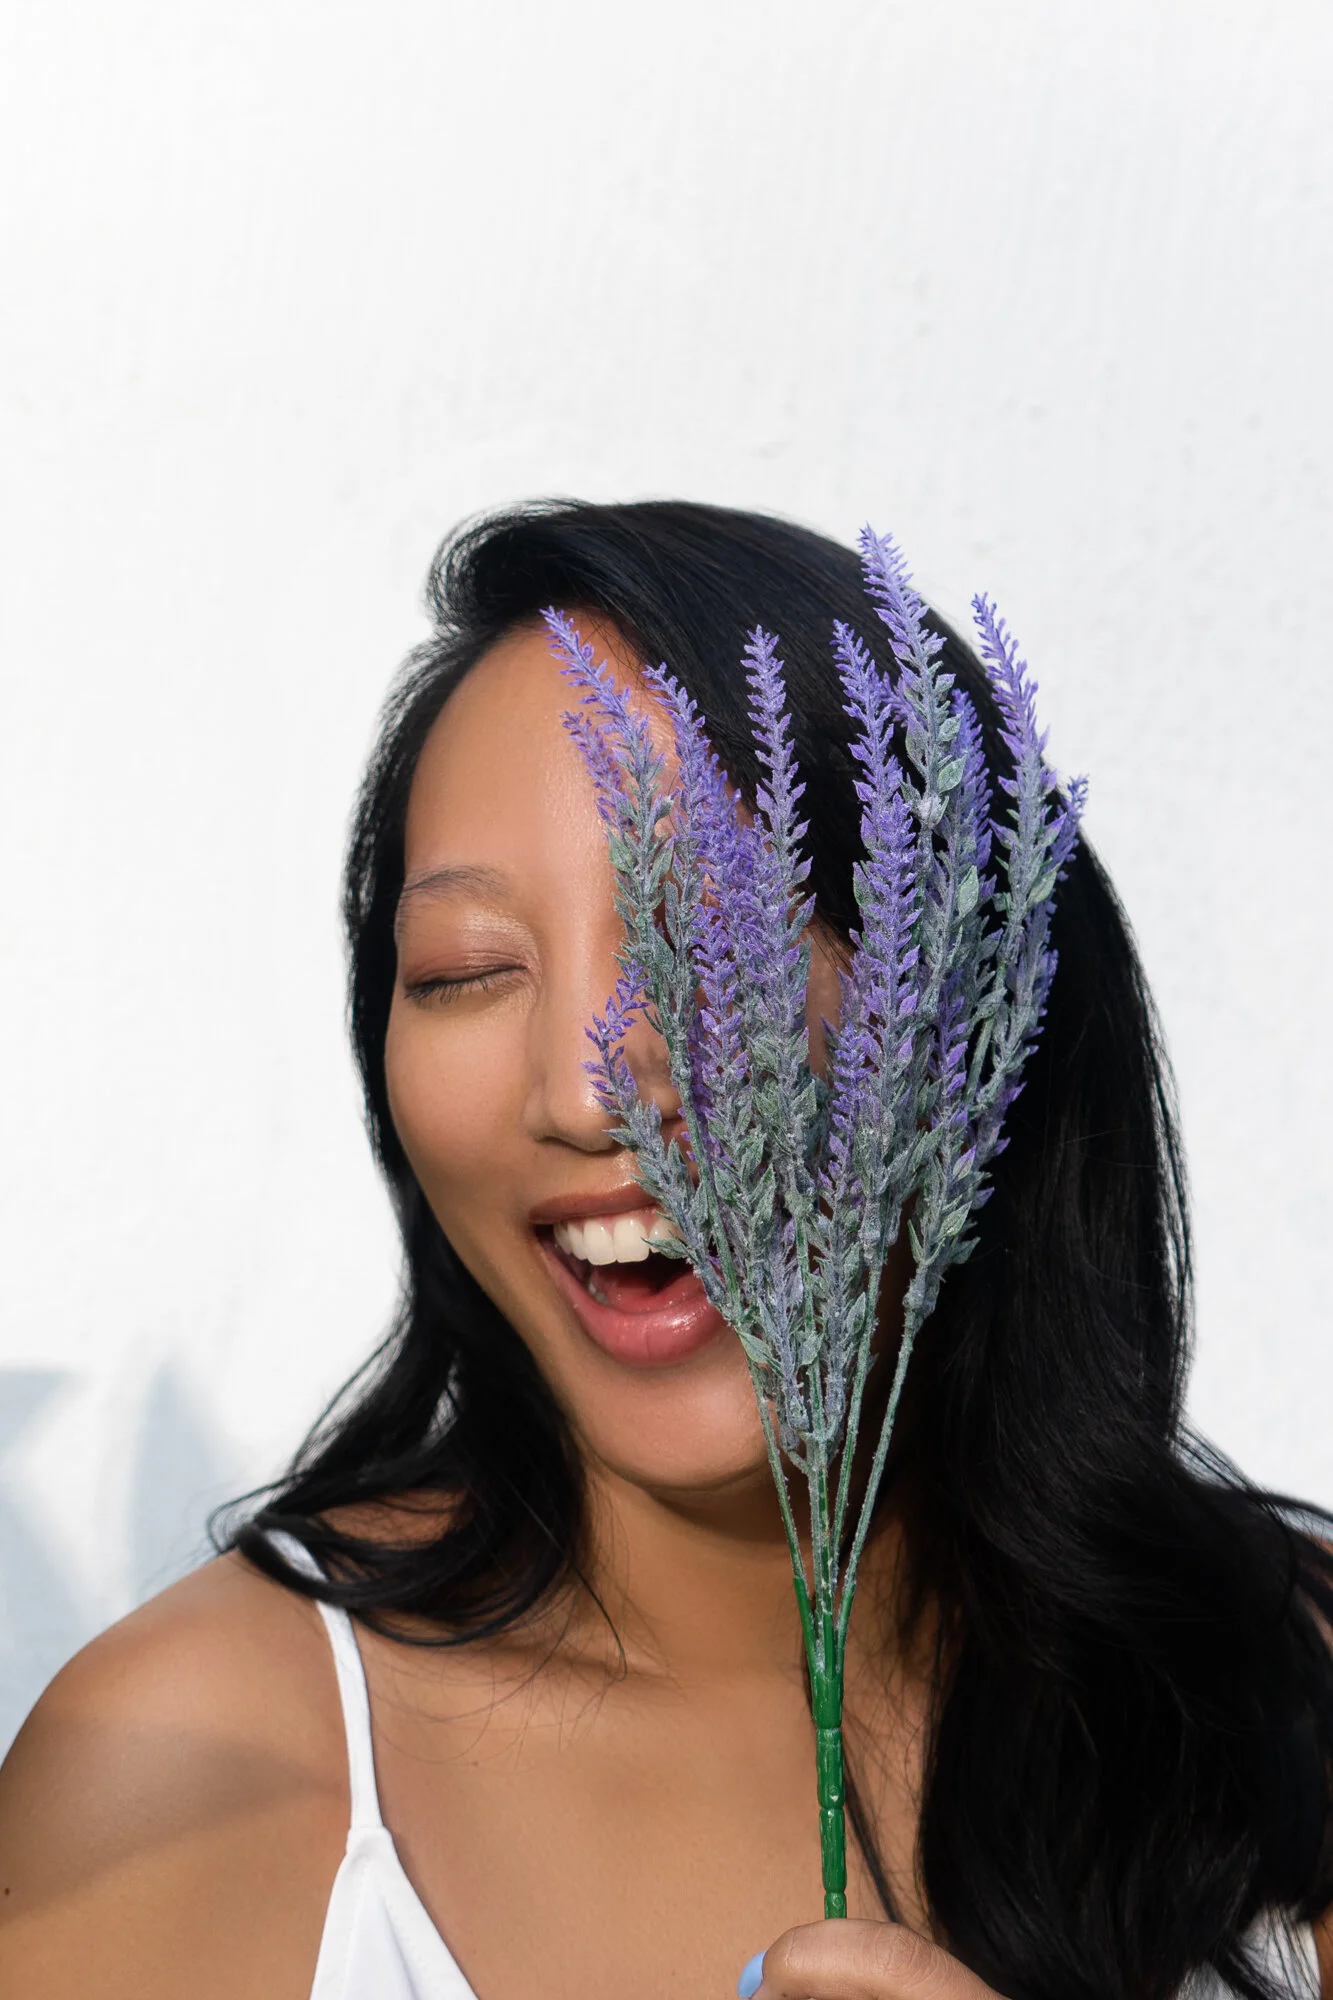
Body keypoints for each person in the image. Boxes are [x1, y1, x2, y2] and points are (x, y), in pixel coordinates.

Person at [1, 500, 1330, 2000]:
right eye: (467, 971)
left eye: (705, 936)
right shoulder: (183, 1776)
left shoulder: (1293, 1699)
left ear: (978, 988)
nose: (588, 1091)